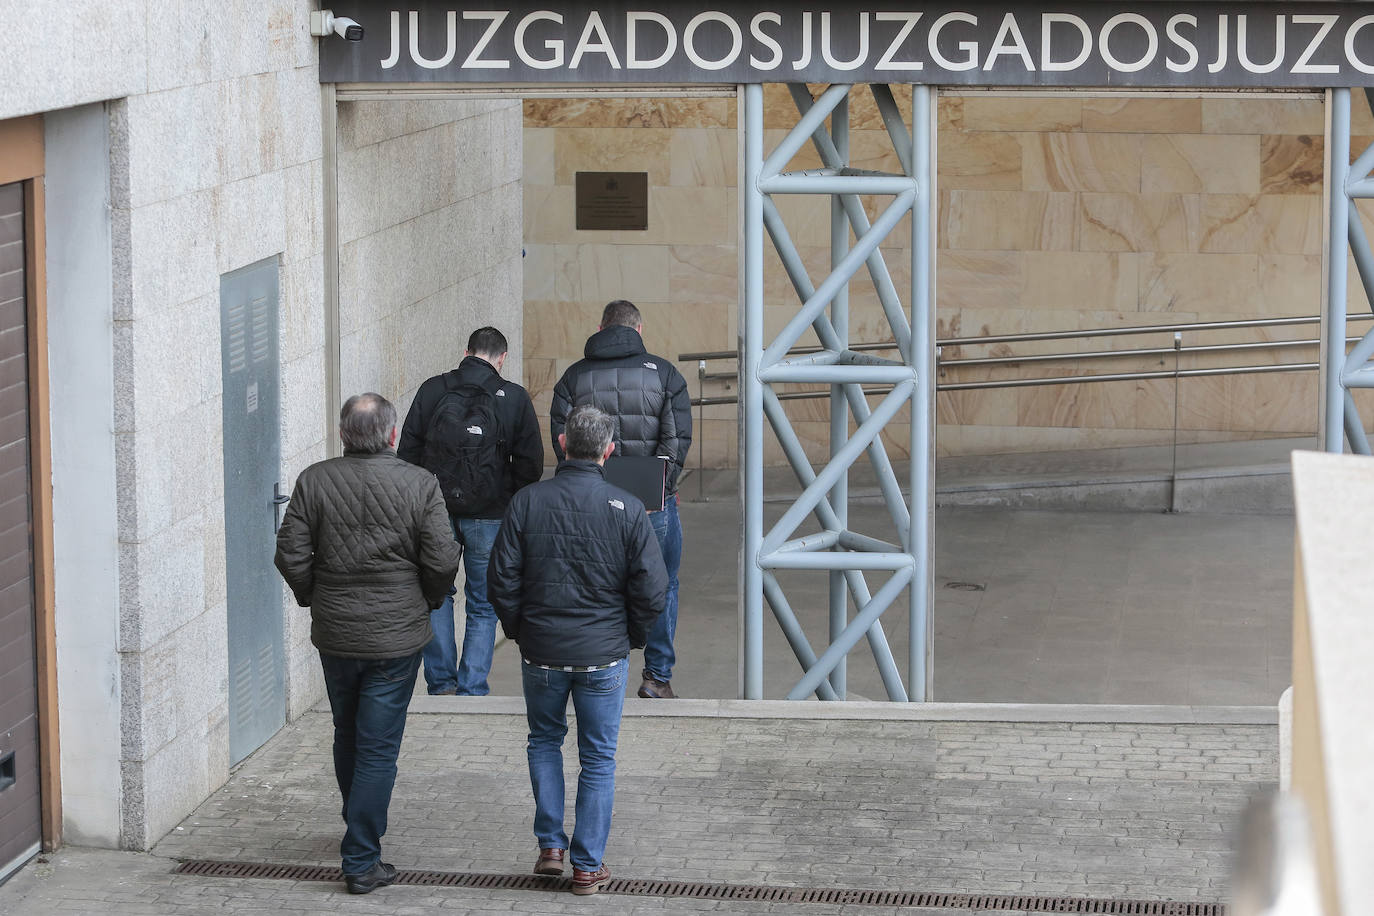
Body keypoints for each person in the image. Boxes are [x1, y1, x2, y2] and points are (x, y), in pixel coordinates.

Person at [274, 393, 462, 895]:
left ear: (342, 434)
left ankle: (357, 819)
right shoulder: (420, 484)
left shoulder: (314, 479)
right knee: (377, 746)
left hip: (336, 631)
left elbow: (289, 553)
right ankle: (361, 858)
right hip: (396, 636)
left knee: (347, 731)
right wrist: (423, 599)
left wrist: (317, 595)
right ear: (393, 435)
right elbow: (443, 559)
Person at [488, 405, 667, 895]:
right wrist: (629, 636)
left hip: (541, 650)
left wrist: (521, 630)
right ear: (609, 451)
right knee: (599, 758)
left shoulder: (527, 501)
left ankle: (551, 846)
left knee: (544, 741)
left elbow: (500, 579)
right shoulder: (628, 508)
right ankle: (588, 867)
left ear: (562, 444)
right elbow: (653, 590)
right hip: (603, 655)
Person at [549, 300, 691, 699]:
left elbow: (563, 440)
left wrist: (587, 485)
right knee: (663, 584)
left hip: (591, 501)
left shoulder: (573, 377)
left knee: (597, 580)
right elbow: (676, 442)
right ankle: (656, 678)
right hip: (652, 504)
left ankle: (601, 670)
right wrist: (658, 487)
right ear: (639, 330)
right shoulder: (665, 374)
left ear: (600, 327)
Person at [398, 326, 543, 696]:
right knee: (482, 602)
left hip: (435, 513)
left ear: (467, 351)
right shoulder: (513, 398)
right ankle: (472, 686)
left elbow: (407, 456)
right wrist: (508, 501)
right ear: (502, 358)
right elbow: (530, 465)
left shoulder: (432, 390)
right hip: (490, 516)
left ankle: (441, 683)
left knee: (437, 594)